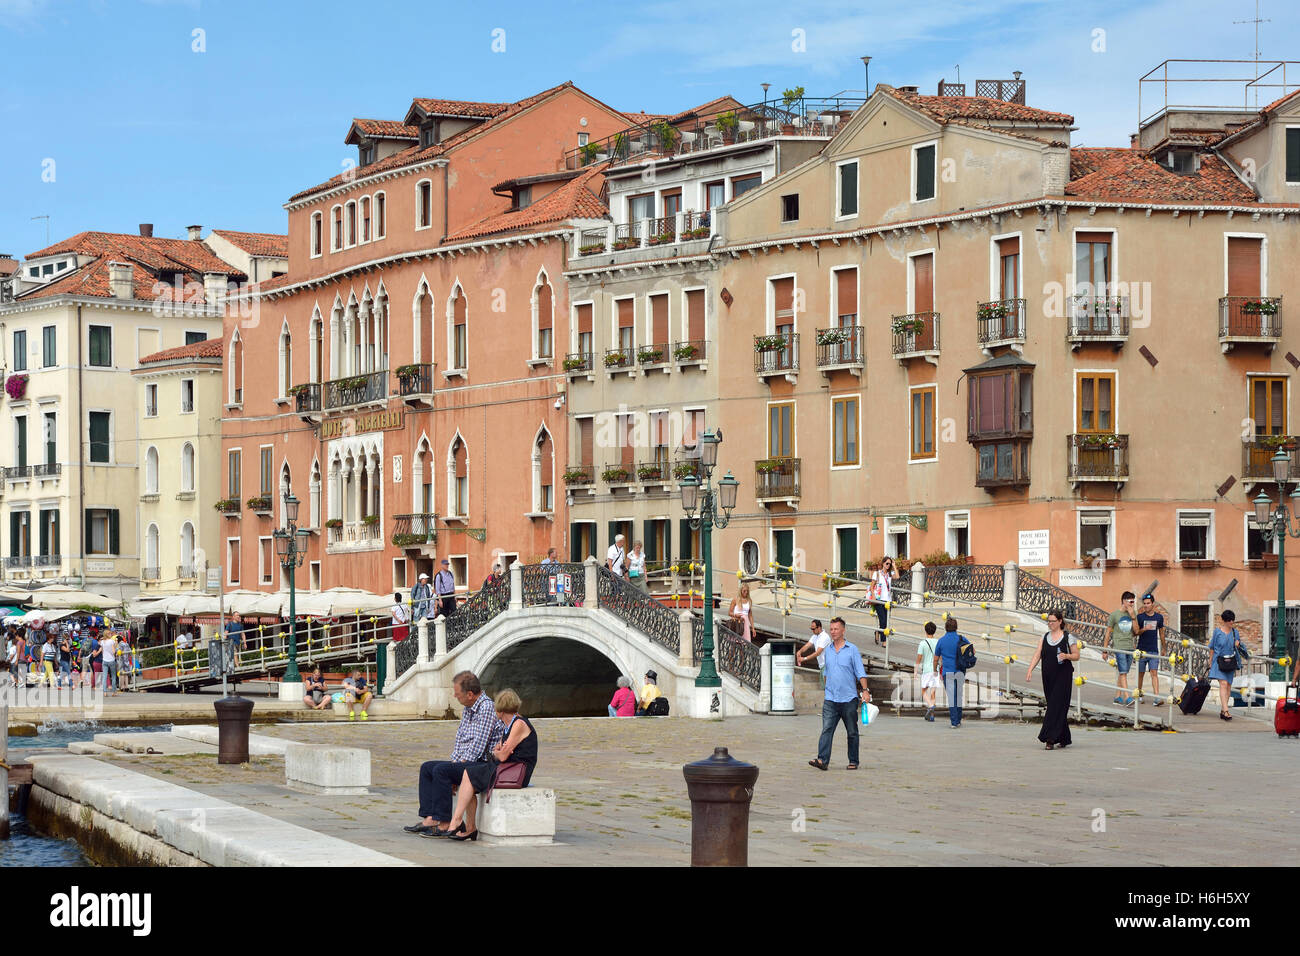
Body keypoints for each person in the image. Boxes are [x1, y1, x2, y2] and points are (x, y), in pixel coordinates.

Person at [429, 688, 538, 842]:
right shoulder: (509, 725)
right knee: (468, 773)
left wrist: (500, 752)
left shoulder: (519, 724)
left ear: (500, 709)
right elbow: (497, 751)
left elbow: (503, 754)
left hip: (515, 772)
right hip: (505, 768)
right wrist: (499, 752)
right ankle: (469, 827)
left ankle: (457, 821)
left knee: (469, 774)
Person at [404, 671, 503, 835]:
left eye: (458, 695)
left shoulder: (486, 708)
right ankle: (431, 817)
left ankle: (444, 822)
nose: (455, 697)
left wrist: (458, 767)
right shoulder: (468, 708)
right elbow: (460, 740)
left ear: (470, 694)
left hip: (484, 764)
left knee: (441, 770)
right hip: (469, 761)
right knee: (427, 767)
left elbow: (479, 745)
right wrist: (455, 763)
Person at [808, 617, 870, 771]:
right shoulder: (827, 650)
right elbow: (826, 672)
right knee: (827, 729)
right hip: (830, 699)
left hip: (849, 698)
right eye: (831, 629)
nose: (833, 632)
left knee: (852, 732)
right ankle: (822, 760)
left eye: (836, 629)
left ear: (843, 630)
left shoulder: (852, 649)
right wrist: (827, 688)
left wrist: (865, 691)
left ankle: (853, 761)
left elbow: (860, 672)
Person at [1025, 609, 1080, 749]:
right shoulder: (1044, 637)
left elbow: (1076, 655)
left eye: (1053, 621)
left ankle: (1049, 738)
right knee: (1055, 705)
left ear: (1060, 621)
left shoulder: (1068, 637)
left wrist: (1066, 656)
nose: (1050, 624)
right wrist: (1030, 669)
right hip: (1048, 676)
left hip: (1063, 676)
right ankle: (1064, 737)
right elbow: (1037, 654)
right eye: (1048, 621)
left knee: (1055, 706)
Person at [1208, 610, 1245, 721]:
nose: (1231, 622)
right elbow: (1212, 647)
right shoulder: (1217, 632)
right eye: (1229, 620)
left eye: (1232, 620)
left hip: (1230, 662)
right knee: (1223, 684)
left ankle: (1223, 710)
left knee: (1228, 685)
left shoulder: (1235, 632)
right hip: (1218, 661)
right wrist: (1210, 661)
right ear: (1224, 620)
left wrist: (1238, 645)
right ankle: (1226, 710)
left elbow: (1239, 647)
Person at [934, 617, 968, 728]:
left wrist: (935, 670)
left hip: (947, 672)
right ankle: (958, 719)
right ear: (956, 627)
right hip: (960, 671)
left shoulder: (941, 640)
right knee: (958, 695)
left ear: (946, 627)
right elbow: (972, 651)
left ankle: (954, 722)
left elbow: (935, 658)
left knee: (951, 697)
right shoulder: (962, 639)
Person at [1134, 593, 1164, 699]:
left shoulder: (1159, 617)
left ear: (1153, 604)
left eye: (1148, 603)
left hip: (1153, 650)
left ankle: (1157, 697)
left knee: (1154, 673)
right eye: (1144, 604)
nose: (1146, 605)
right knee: (1140, 674)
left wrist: (1164, 648)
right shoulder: (1140, 617)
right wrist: (1144, 629)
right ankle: (1139, 695)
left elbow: (1162, 633)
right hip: (1141, 650)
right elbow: (1135, 632)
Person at [915, 621, 940, 721]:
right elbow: (940, 657)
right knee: (933, 693)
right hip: (936, 669)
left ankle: (930, 706)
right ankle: (931, 715)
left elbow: (919, 659)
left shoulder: (922, 643)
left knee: (924, 691)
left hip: (927, 670)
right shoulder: (938, 642)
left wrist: (915, 671)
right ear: (934, 631)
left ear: (925, 631)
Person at [870, 557, 898, 646]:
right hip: (879, 599)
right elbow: (872, 586)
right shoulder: (877, 573)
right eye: (887, 563)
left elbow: (897, 577)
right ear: (883, 563)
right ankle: (884, 641)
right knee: (883, 620)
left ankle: (878, 631)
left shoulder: (890, 573)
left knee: (886, 620)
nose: (888, 565)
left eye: (889, 564)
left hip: (888, 600)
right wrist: (873, 596)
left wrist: (894, 566)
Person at [795, 619, 831, 688]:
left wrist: (804, 658)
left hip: (827, 665)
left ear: (819, 628)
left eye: (813, 629)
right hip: (822, 665)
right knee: (824, 687)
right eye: (811, 629)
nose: (812, 631)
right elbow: (807, 645)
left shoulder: (825, 637)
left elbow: (817, 653)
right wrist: (799, 651)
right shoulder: (815, 636)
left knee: (827, 688)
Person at [100, 630, 119, 695]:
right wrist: (116, 643)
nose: (111, 634)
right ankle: (114, 692)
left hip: (105, 660)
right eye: (110, 633)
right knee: (113, 676)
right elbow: (114, 651)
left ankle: (105, 691)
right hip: (111, 660)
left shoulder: (102, 642)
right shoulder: (111, 641)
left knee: (105, 676)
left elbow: (102, 651)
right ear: (108, 634)